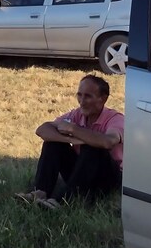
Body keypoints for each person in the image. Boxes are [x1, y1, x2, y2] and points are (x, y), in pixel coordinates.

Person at [19, 74, 123, 208]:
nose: (82, 101)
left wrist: (74, 130)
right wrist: (70, 139)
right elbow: (42, 130)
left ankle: (63, 201)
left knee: (93, 148)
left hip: (108, 178)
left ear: (103, 99)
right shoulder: (77, 114)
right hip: (83, 171)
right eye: (79, 95)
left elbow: (109, 141)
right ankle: (40, 192)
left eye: (88, 96)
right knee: (53, 143)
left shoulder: (115, 118)